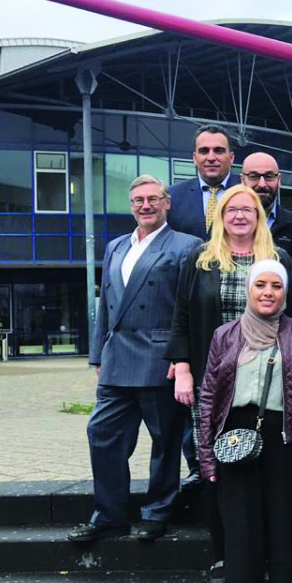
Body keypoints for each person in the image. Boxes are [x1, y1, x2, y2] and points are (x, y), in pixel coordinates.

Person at [166, 185, 292, 583]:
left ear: (259, 215)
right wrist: (183, 367)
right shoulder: (201, 259)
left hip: (269, 382)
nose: (240, 216)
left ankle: (270, 556)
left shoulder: (278, 259)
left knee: (268, 471)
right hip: (216, 381)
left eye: (248, 209)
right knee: (219, 469)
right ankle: (225, 556)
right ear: (220, 216)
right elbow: (182, 316)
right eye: (232, 210)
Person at [197, 260, 292, 583]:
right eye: (260, 285)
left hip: (284, 440)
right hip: (233, 441)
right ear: (249, 290)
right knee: (241, 537)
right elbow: (208, 397)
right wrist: (206, 458)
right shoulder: (224, 335)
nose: (268, 292)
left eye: (276, 286)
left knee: (283, 536)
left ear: (286, 292)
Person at [70, 175, 201, 544]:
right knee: (102, 435)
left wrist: (183, 357)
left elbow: (189, 308)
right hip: (116, 360)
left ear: (167, 203)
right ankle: (109, 514)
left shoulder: (187, 246)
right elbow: (106, 305)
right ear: (131, 205)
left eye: (153, 199)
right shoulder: (115, 246)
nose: (145, 205)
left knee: (165, 442)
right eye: (138, 200)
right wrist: (98, 355)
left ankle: (157, 511)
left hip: (161, 360)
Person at [168, 125, 242, 240]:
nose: (211, 157)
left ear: (231, 158)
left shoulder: (247, 191)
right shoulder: (173, 196)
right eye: (204, 151)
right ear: (194, 158)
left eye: (218, 150)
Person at [242, 152, 292, 266]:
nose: (262, 184)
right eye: (254, 176)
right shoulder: (227, 222)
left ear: (279, 180)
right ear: (242, 180)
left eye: (269, 176)